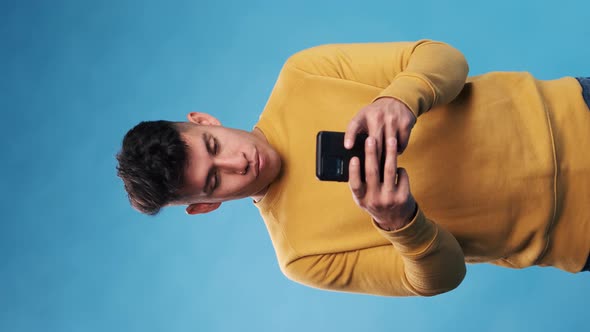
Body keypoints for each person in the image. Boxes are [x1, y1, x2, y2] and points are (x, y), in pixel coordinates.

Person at [116, 40, 590, 297]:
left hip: (575, 109)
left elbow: (446, 57)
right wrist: (401, 223)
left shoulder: (302, 74)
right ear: (204, 206)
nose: (238, 161)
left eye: (214, 145)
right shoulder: (301, 257)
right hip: (577, 234)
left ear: (203, 121)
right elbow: (440, 280)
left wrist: (400, 97)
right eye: (216, 179)